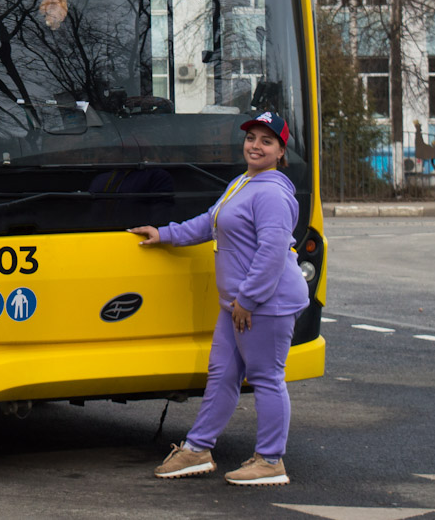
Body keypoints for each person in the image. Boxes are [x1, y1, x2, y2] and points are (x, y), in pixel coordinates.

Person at [128, 111, 309, 487]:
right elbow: (211, 221)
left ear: (281, 151)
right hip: (238, 304)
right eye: (251, 138)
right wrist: (164, 234)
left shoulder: (272, 192)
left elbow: (273, 250)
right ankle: (197, 449)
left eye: (266, 141)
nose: (255, 146)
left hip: (264, 304)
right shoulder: (244, 182)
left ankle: (271, 460)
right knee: (222, 374)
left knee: (267, 378)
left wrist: (248, 299)